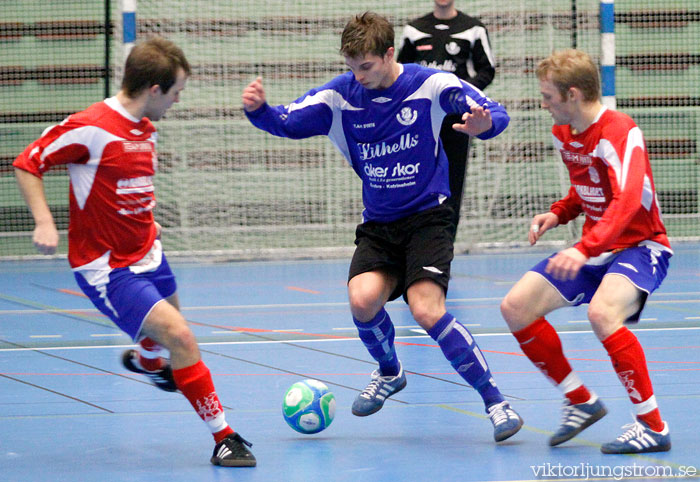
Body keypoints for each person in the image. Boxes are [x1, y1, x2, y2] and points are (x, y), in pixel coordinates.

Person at [242, 11, 523, 442]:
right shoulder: (342, 96)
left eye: (366, 66)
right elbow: (285, 120)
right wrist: (259, 111)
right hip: (380, 224)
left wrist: (485, 126)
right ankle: (390, 372)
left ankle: (496, 403)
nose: (358, 75)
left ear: (389, 54)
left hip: (428, 217)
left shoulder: (427, 84)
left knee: (426, 309)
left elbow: (489, 111)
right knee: (362, 301)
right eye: (351, 66)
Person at [13, 37, 256, 467]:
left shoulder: (146, 128)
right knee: (180, 336)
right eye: (177, 92)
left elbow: (126, 185)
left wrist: (145, 218)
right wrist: (45, 222)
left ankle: (146, 361)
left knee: (169, 328)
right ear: (155, 90)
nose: (178, 101)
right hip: (107, 267)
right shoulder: (90, 127)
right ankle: (224, 436)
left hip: (148, 250)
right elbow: (28, 162)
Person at [500, 49, 672, 454]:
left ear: (573, 94)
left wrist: (586, 247)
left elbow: (628, 200)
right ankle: (580, 400)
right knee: (515, 307)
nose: (543, 105)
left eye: (547, 97)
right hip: (596, 248)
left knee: (602, 313)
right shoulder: (565, 132)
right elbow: (586, 188)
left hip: (641, 246)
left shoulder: (620, 132)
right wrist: (558, 214)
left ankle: (653, 426)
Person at [397, 0, 496, 240]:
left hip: (456, 123)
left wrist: (459, 94)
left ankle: (444, 244)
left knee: (452, 183)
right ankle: (413, 242)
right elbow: (399, 71)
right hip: (419, 122)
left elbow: (487, 69)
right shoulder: (414, 30)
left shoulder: (473, 29)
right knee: (414, 179)